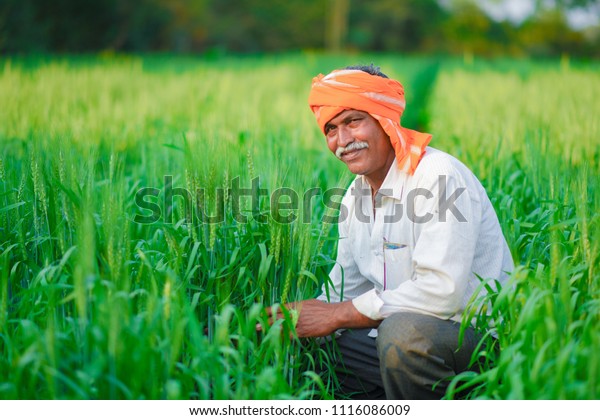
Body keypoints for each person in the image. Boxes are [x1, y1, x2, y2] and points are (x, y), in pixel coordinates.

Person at [280, 64, 514, 400]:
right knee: (311, 347)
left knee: (402, 332)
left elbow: (441, 293)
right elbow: (346, 285)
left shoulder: (437, 176)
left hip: (475, 345)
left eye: (352, 121)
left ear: (384, 119)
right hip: (399, 342)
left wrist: (337, 315)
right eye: (331, 128)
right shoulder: (355, 195)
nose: (342, 141)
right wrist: (296, 321)